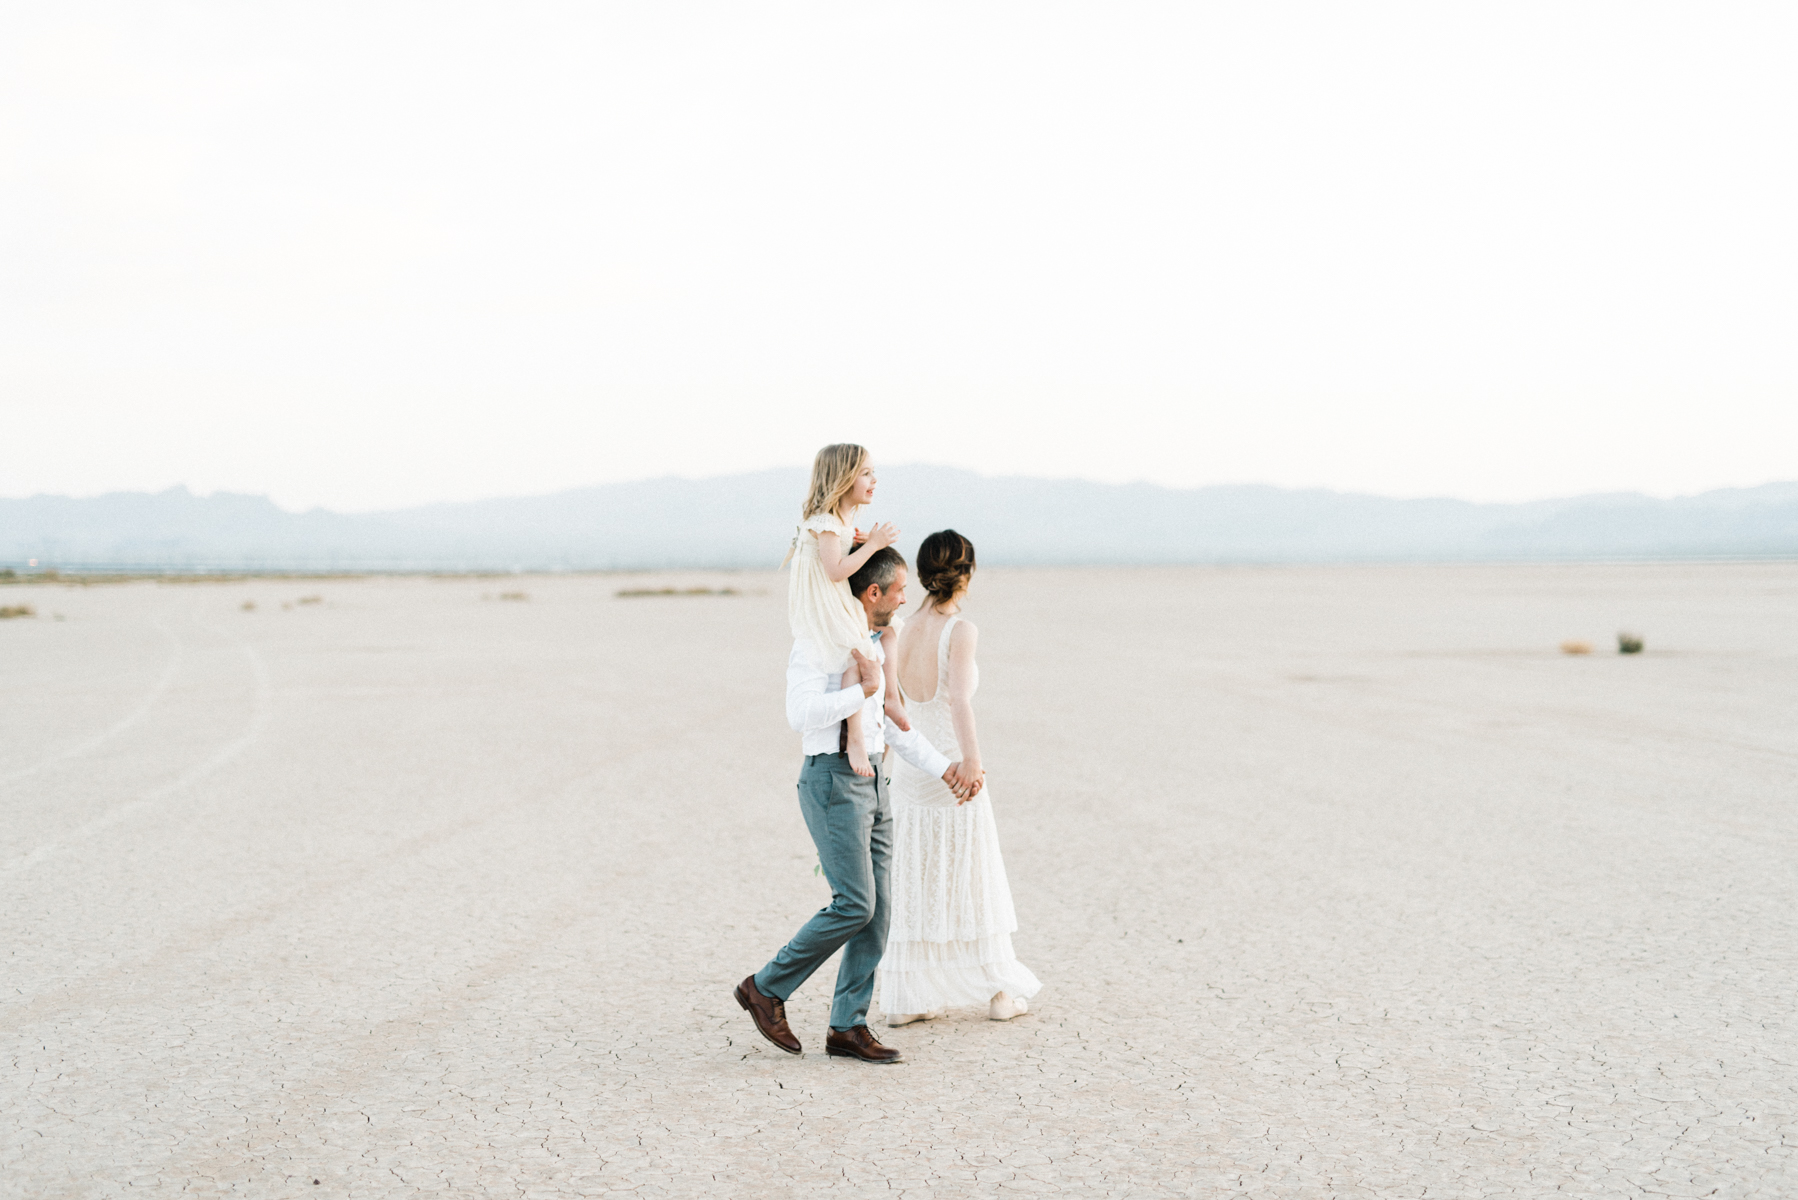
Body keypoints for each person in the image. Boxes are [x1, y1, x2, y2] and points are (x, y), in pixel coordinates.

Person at [735, 544, 982, 1063]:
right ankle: (765, 986)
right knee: (855, 903)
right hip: (830, 778)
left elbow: (895, 724)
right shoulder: (819, 644)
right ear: (874, 593)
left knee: (879, 911)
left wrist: (949, 769)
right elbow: (799, 714)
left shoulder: (878, 643)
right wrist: (862, 689)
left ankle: (847, 1026)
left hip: (874, 781)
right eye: (898, 591)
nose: (905, 596)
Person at [879, 529, 1041, 1025]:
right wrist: (971, 761)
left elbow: (894, 703)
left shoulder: (900, 627)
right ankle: (998, 993)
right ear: (965, 574)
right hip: (948, 763)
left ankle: (912, 996)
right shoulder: (961, 630)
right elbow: (958, 702)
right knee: (973, 874)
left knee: (915, 876)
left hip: (910, 767)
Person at [780, 443, 910, 779]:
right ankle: (854, 735)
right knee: (859, 652)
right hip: (825, 603)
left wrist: (859, 541)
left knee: (891, 627)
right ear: (844, 478)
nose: (873, 480)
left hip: (835, 596)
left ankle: (892, 696)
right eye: (866, 473)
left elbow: (840, 555)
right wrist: (872, 545)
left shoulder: (842, 519)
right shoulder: (824, 521)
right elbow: (835, 570)